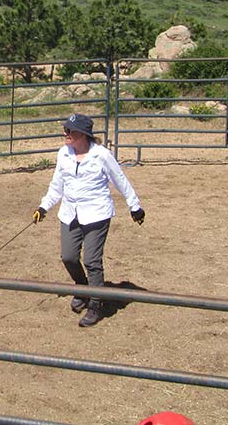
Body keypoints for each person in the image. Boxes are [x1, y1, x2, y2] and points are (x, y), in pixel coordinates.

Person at [32, 113, 145, 327]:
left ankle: (95, 303)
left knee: (92, 261)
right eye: (65, 129)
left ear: (83, 134)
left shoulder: (101, 155)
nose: (65, 134)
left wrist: (135, 206)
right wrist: (44, 206)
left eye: (69, 131)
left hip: (96, 214)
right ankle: (82, 287)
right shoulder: (63, 154)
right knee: (69, 257)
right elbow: (57, 185)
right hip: (69, 212)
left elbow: (119, 179)